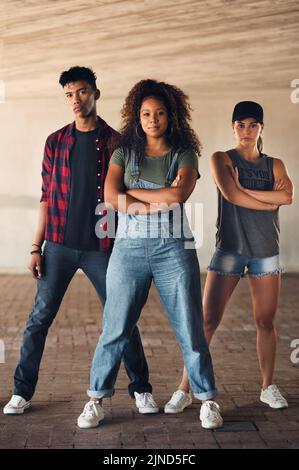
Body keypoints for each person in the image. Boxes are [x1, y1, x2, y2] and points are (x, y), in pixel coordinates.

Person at [3, 66, 154, 415]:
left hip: (103, 246)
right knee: (39, 319)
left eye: (82, 91)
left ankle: (141, 389)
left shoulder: (118, 143)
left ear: (96, 94)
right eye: (70, 94)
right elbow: (46, 196)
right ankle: (21, 392)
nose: (76, 99)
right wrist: (34, 246)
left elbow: (130, 195)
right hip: (57, 245)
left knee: (123, 318)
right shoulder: (55, 141)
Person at [77, 79, 223, 430]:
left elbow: (178, 196)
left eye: (159, 113)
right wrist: (153, 199)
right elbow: (111, 197)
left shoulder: (184, 153)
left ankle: (207, 401)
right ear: (136, 117)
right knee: (115, 327)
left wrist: (134, 196)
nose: (152, 119)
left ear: (171, 117)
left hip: (174, 247)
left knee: (190, 325)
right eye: (145, 113)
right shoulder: (122, 152)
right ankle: (96, 399)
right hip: (128, 248)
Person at [166, 100, 294, 413]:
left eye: (253, 124)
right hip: (229, 252)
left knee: (265, 321)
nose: (247, 131)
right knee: (207, 321)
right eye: (241, 124)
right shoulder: (220, 158)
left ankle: (267, 386)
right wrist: (269, 202)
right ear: (232, 126)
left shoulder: (274, 164)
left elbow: (288, 195)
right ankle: (185, 388)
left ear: (262, 127)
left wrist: (256, 196)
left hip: (266, 253)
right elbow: (231, 194)